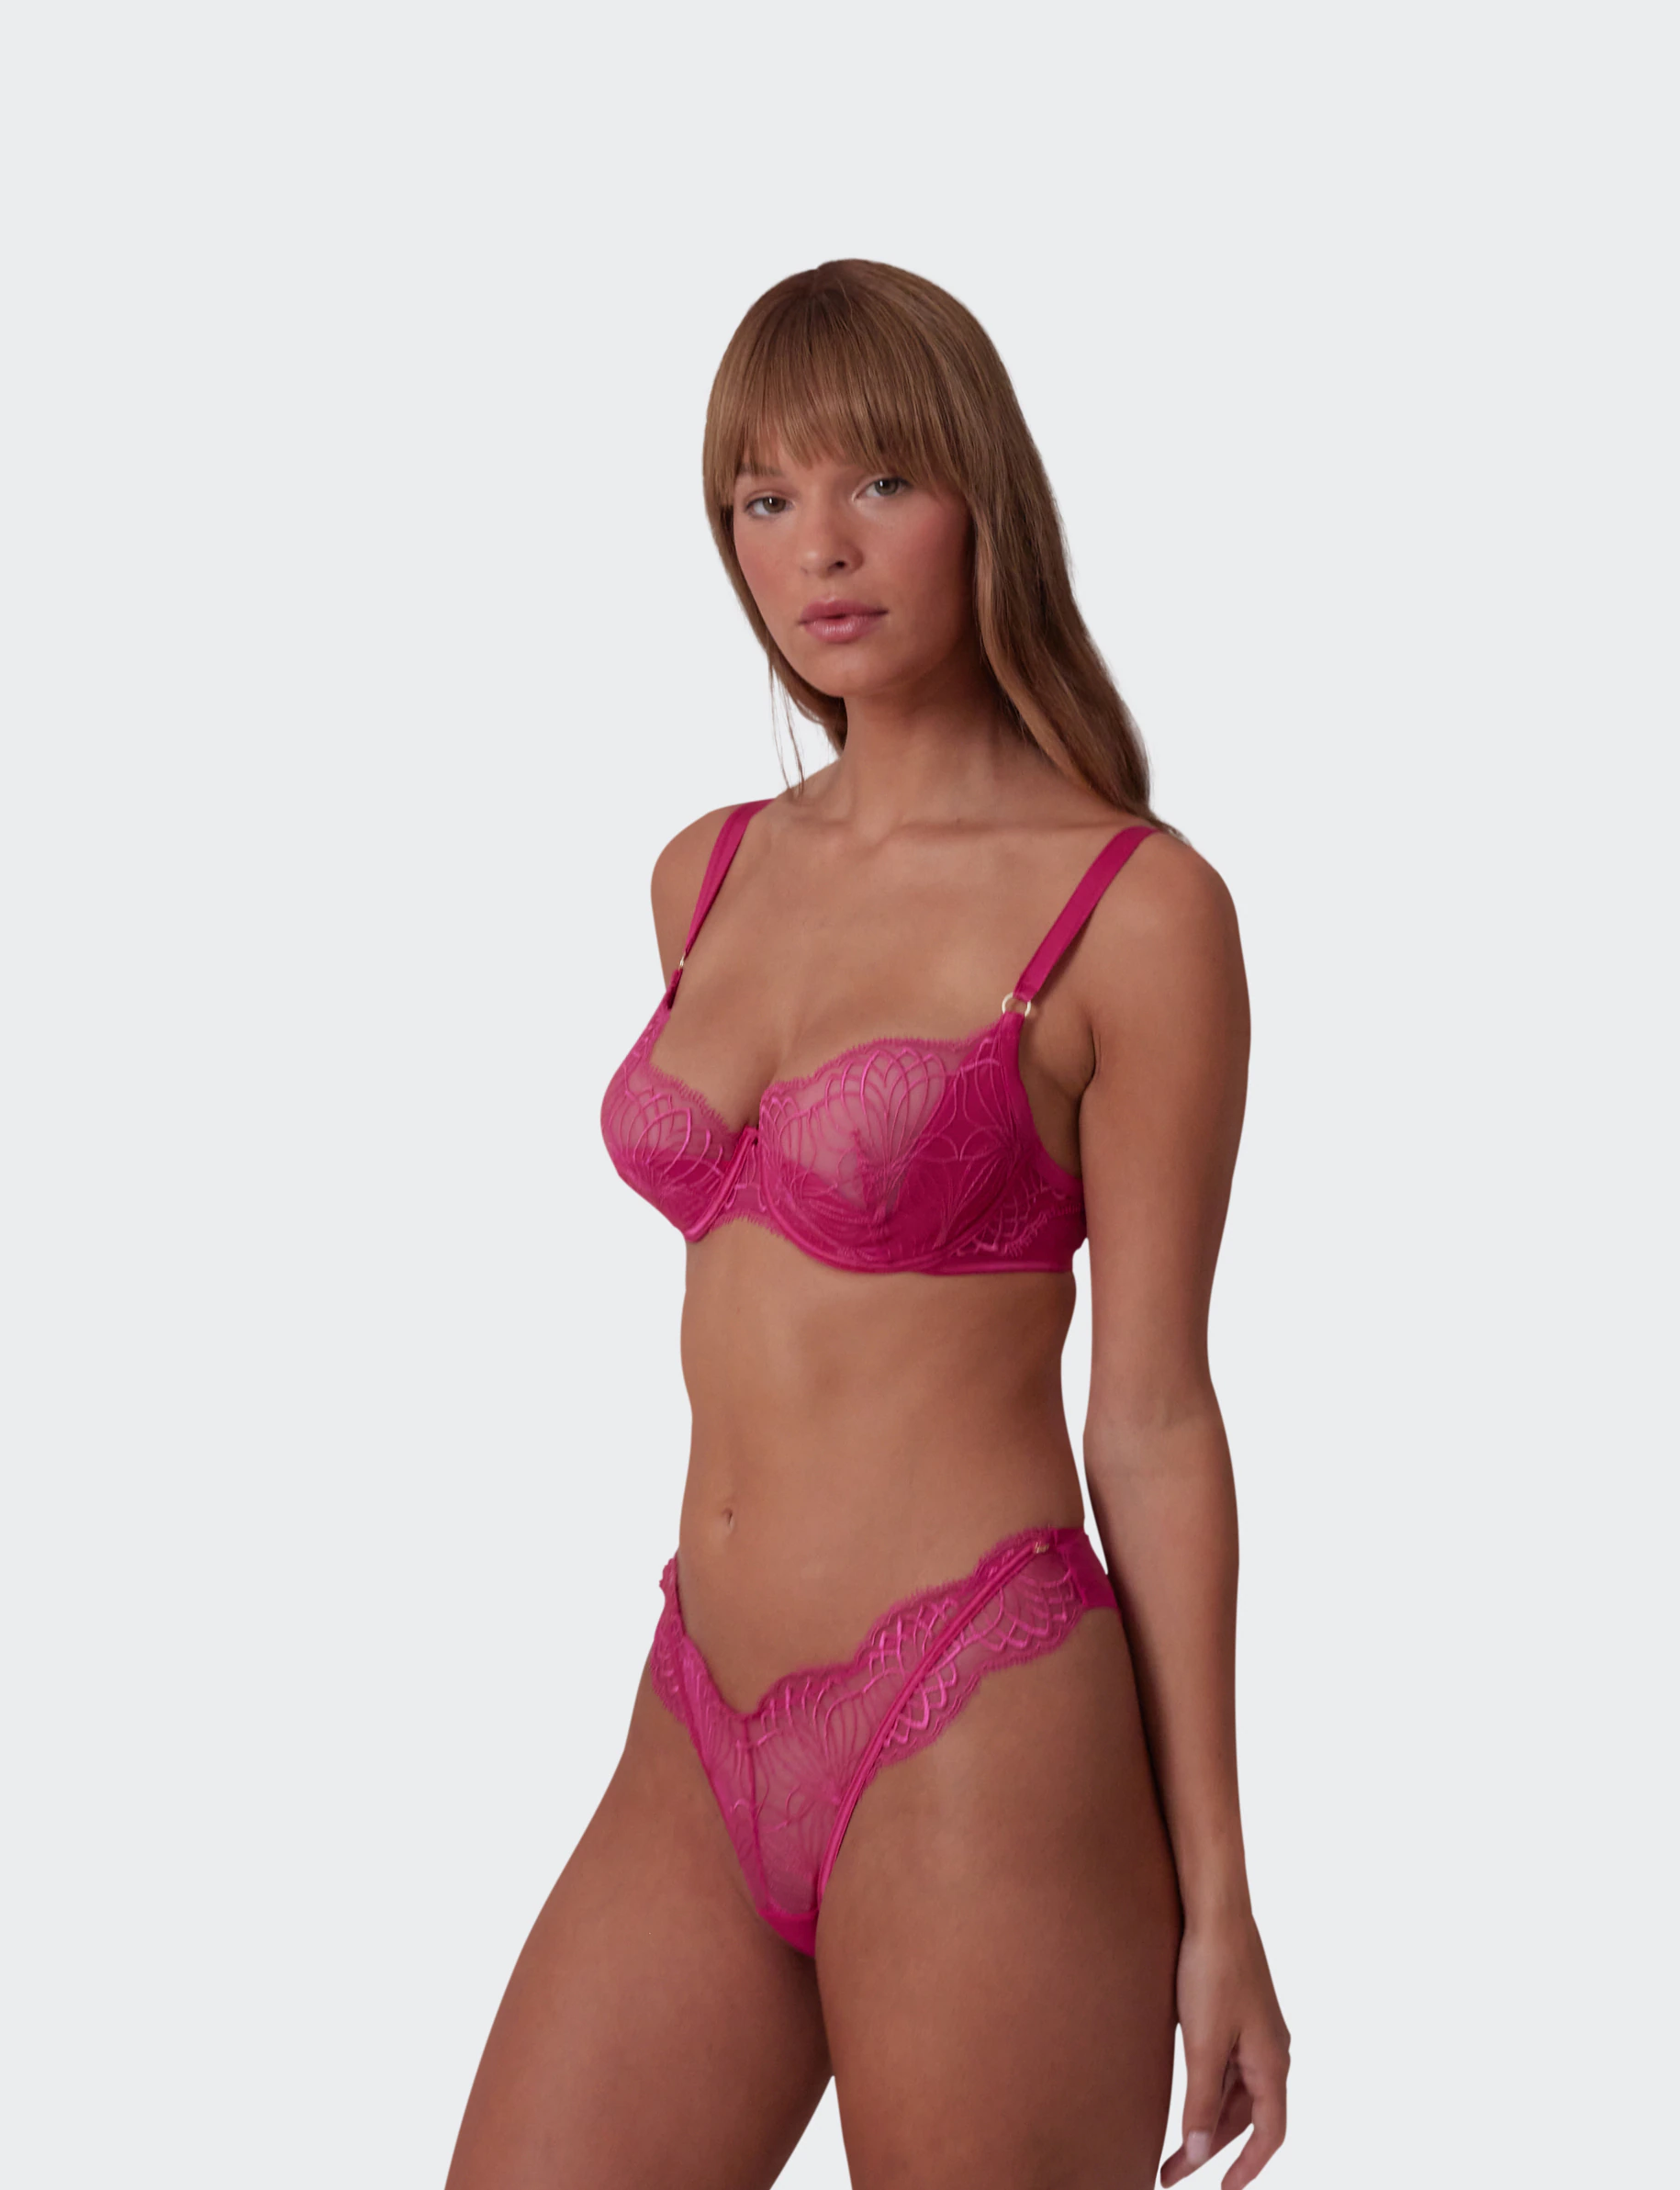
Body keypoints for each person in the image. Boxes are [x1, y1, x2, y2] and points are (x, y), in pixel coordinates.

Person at [444, 260, 1290, 2190]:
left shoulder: (1137, 912)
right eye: (764, 497)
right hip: (698, 1709)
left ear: (985, 498)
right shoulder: (706, 875)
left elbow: (1156, 1414)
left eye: (878, 482)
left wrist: (1222, 1897)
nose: (817, 546)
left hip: (979, 1716)